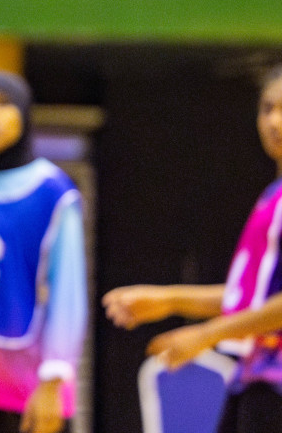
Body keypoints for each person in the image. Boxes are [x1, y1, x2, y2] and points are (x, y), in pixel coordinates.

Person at [103, 65, 282, 433]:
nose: (275, 121)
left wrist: (206, 335)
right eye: (267, 108)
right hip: (254, 377)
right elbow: (251, 298)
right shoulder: (271, 197)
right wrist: (169, 300)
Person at [0, 72, 87, 433]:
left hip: (34, 388)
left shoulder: (54, 192)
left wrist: (53, 381)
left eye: (3, 103)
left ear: (25, 114)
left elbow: (68, 296)